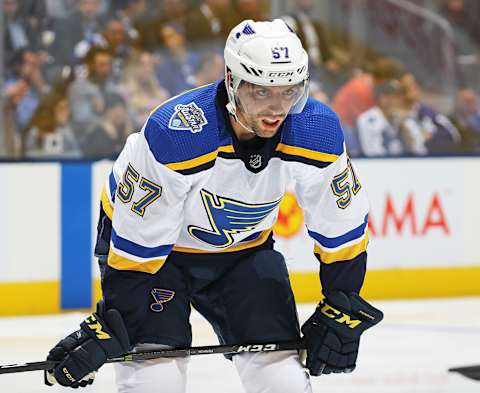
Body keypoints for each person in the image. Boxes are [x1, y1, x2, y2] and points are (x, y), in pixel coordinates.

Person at [44, 19, 383, 392]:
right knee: (155, 383)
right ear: (231, 80)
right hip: (159, 262)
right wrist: (117, 320)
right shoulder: (178, 135)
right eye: (261, 92)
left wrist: (342, 303)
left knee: (283, 382)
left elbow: (342, 226)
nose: (277, 109)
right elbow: (138, 246)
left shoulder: (316, 130)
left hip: (243, 254)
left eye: (290, 92)